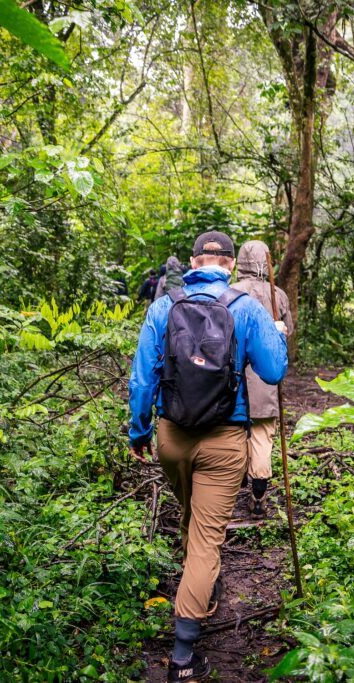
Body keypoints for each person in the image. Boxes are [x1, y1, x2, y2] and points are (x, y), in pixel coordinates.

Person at [128, 231, 289, 682]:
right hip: (224, 438)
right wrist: (275, 335)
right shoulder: (246, 308)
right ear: (231, 265)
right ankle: (183, 657)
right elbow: (274, 370)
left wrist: (139, 430)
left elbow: (143, 378)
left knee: (192, 519)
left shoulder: (164, 305)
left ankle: (199, 583)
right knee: (205, 539)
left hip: (171, 437)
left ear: (196, 261)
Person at [231, 240, 293, 518]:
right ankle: (258, 495)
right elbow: (287, 331)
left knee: (231, 431)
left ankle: (230, 487)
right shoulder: (276, 293)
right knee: (261, 434)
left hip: (230, 376)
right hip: (263, 377)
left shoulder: (228, 292)